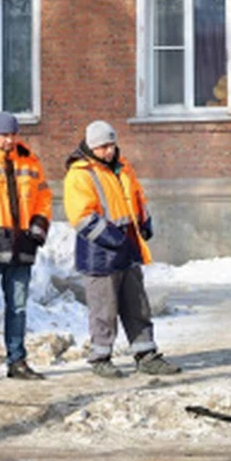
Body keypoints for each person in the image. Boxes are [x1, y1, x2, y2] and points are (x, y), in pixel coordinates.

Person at [63, 120, 180, 379]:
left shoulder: (123, 168)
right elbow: (81, 216)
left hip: (127, 249)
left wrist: (144, 221)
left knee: (137, 305)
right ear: (92, 147)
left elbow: (137, 197)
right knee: (103, 310)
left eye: (112, 145)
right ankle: (100, 358)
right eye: (103, 146)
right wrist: (113, 238)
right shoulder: (80, 174)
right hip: (100, 254)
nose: (109, 151)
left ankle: (146, 354)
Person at [0, 112, 52, 380]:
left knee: (19, 308)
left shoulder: (29, 160)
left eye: (13, 134)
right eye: (4, 135)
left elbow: (44, 196)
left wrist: (38, 226)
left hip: (21, 247)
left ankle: (17, 361)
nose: (9, 140)